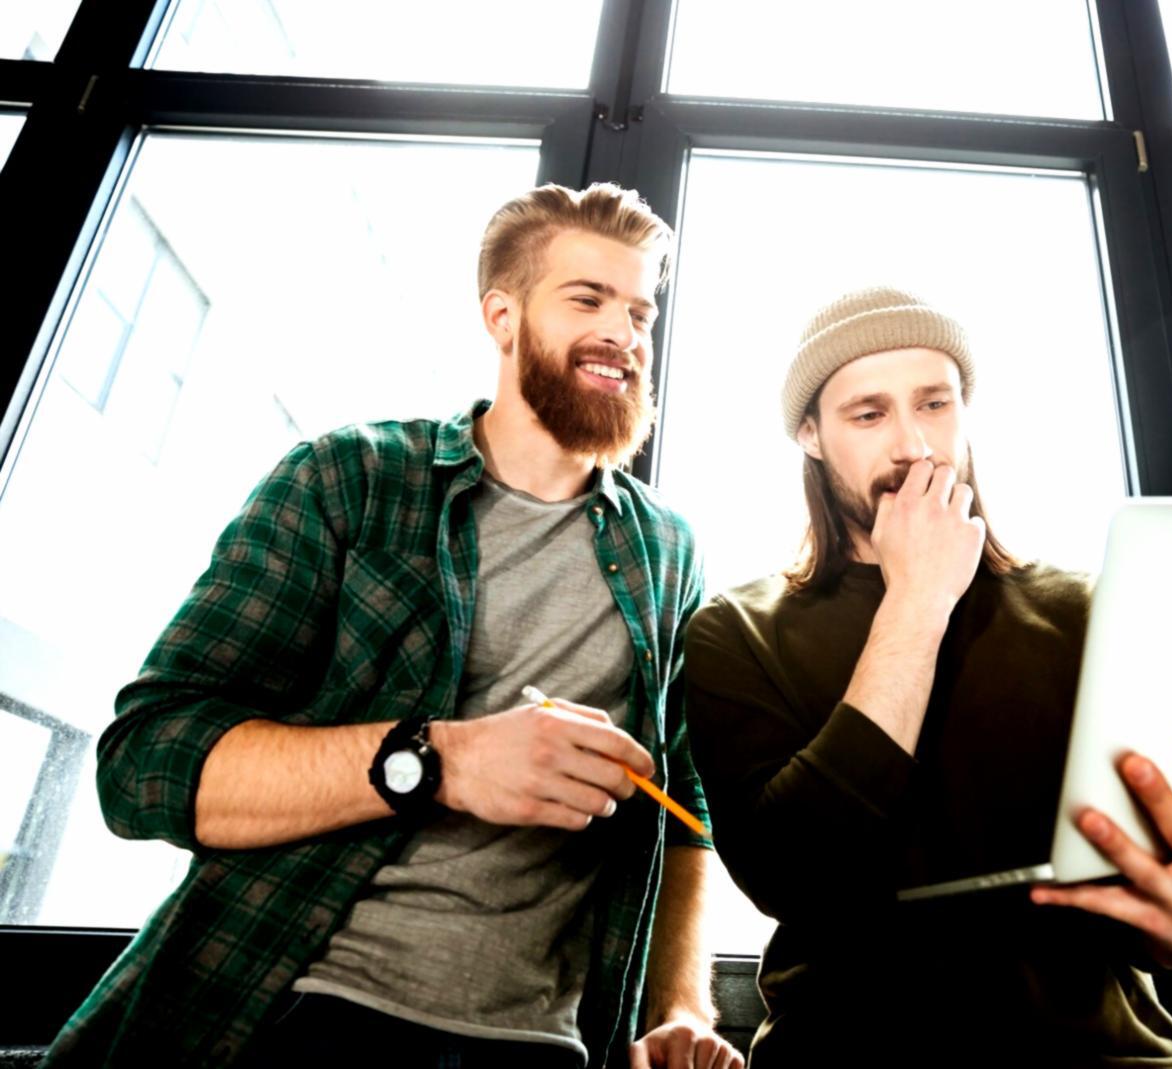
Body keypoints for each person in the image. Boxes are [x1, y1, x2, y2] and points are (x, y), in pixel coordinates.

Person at [45, 183, 743, 1069]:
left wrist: (680, 1007)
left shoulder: (668, 551)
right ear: (502, 315)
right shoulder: (348, 478)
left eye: (640, 310)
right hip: (302, 1015)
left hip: (542, 1049)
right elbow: (145, 763)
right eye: (588, 299)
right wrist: (444, 759)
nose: (625, 332)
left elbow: (683, 814)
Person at [683, 286, 1172, 1066]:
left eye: (935, 404)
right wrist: (918, 601)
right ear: (811, 435)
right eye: (870, 414)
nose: (914, 446)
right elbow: (795, 878)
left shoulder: (1087, 607)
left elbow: (1142, 882)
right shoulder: (736, 630)